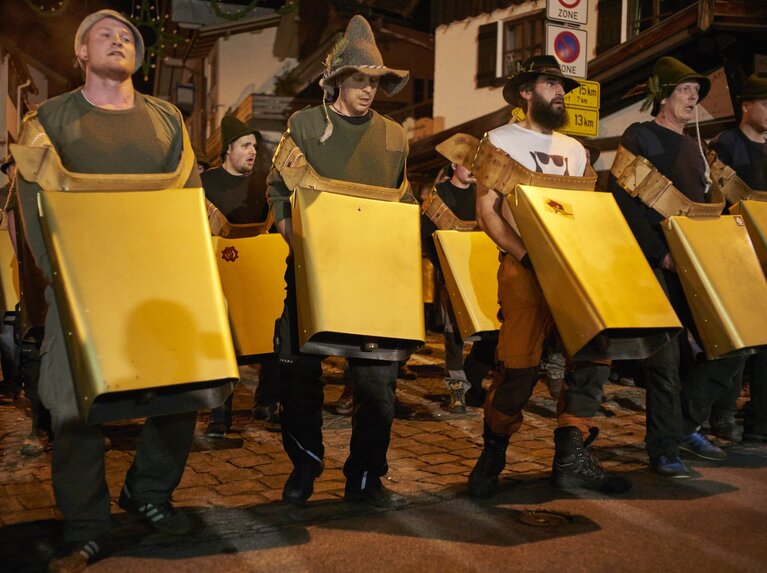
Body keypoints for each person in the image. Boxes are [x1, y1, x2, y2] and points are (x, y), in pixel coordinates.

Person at [14, 11, 202, 571]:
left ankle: (148, 492)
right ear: (80, 52)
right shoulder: (49, 119)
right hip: (82, 290)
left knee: (183, 396)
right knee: (75, 413)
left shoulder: (168, 120)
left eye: (128, 37)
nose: (119, 40)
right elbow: (31, 203)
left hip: (158, 287)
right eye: (105, 34)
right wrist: (60, 275)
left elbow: (187, 197)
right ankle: (87, 529)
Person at [266, 15, 412, 508]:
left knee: (378, 386)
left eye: (373, 81)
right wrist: (302, 251)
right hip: (310, 276)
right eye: (358, 79)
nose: (367, 90)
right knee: (298, 378)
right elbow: (278, 193)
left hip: (373, 282)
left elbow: (403, 202)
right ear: (336, 82)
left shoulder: (395, 136)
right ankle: (305, 467)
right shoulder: (306, 125)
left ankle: (366, 478)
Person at [469, 55, 632, 498]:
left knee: (593, 356)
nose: (560, 92)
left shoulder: (576, 150)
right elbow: (486, 212)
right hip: (523, 272)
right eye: (550, 83)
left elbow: (588, 213)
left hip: (574, 271)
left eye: (562, 85)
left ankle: (571, 455)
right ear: (526, 91)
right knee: (518, 368)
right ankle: (494, 451)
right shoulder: (498, 141)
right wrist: (525, 257)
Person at [609, 56, 745, 478]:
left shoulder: (699, 148)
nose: (694, 97)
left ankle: (684, 425)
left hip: (696, 263)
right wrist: (658, 254)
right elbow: (623, 203)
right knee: (665, 361)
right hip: (656, 264)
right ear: (663, 97)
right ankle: (664, 448)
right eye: (685, 90)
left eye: (696, 91)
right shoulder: (641, 136)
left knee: (733, 344)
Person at [201, 115, 280, 437]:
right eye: (245, 145)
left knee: (270, 335)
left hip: (259, 269)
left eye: (255, 147)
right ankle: (220, 413)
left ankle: (267, 401)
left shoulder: (262, 184)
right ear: (228, 149)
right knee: (224, 341)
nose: (252, 152)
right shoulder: (206, 185)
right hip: (219, 271)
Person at [708, 71, 767, 443]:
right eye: (766, 103)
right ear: (747, 106)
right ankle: (722, 413)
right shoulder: (725, 145)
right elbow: (716, 198)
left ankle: (760, 421)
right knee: (739, 341)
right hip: (739, 252)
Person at [421, 160, 494, 412]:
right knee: (454, 334)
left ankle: (473, 379)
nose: (473, 169)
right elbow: (427, 232)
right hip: (451, 272)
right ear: (454, 165)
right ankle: (457, 388)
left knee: (490, 331)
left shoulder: (482, 193)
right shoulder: (439, 194)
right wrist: (442, 266)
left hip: (481, 271)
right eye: (466, 164)